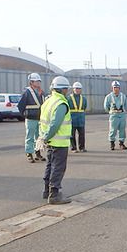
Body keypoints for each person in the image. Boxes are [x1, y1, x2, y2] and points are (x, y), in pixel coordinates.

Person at [38, 76, 72, 205]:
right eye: (66, 89)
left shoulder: (48, 101)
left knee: (50, 166)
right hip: (59, 142)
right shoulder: (61, 103)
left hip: (50, 142)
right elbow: (55, 124)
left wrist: (43, 137)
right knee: (58, 168)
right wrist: (46, 137)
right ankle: (54, 195)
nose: (67, 91)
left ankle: (46, 191)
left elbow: (43, 122)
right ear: (62, 89)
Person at [17, 73, 46, 163]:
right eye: (36, 81)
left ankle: (37, 153)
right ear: (31, 82)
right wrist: (25, 115)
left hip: (39, 118)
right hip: (30, 118)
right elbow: (20, 106)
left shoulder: (41, 92)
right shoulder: (27, 92)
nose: (38, 83)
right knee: (30, 136)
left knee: (38, 137)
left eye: (39, 81)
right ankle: (29, 153)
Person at [104, 81, 127, 150]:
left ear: (119, 88)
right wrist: (111, 112)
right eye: (114, 87)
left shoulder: (123, 96)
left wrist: (123, 112)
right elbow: (106, 107)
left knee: (122, 129)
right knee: (113, 129)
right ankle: (112, 143)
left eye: (117, 87)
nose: (116, 89)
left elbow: (125, 105)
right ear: (112, 88)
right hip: (114, 115)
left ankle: (121, 143)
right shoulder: (109, 97)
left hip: (122, 115)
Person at [68, 82, 88, 152]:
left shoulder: (84, 99)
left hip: (81, 120)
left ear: (81, 90)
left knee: (82, 134)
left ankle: (82, 147)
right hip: (72, 119)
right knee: (72, 135)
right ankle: (73, 148)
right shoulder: (69, 98)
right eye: (76, 88)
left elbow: (84, 107)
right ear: (73, 89)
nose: (77, 90)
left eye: (79, 88)